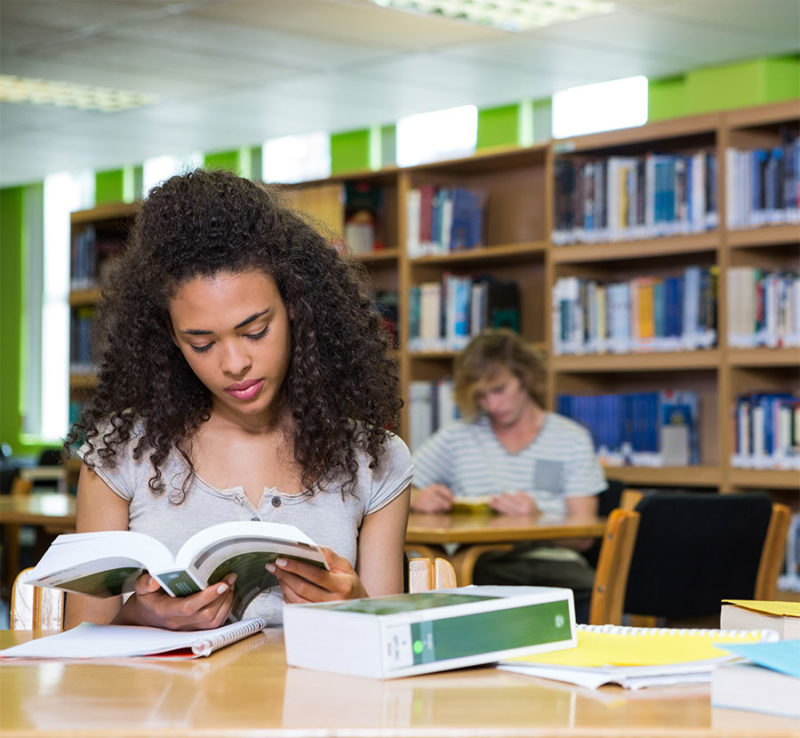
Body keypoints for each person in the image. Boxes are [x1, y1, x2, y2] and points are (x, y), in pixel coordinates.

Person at [64, 169, 412, 631]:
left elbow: (389, 654)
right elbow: (77, 655)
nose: (234, 363)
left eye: (255, 331)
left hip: (316, 703)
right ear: (171, 337)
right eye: (202, 343)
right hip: (167, 704)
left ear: (295, 308)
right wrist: (137, 616)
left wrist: (356, 605)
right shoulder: (120, 454)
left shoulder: (373, 459)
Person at [410, 329, 606, 621]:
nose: (492, 405)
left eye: (499, 390)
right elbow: (393, 487)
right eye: (481, 397)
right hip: (479, 560)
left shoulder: (571, 438)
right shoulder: (457, 437)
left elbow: (583, 536)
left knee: (581, 590)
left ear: (524, 377)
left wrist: (538, 518)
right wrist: (417, 498)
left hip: (552, 561)